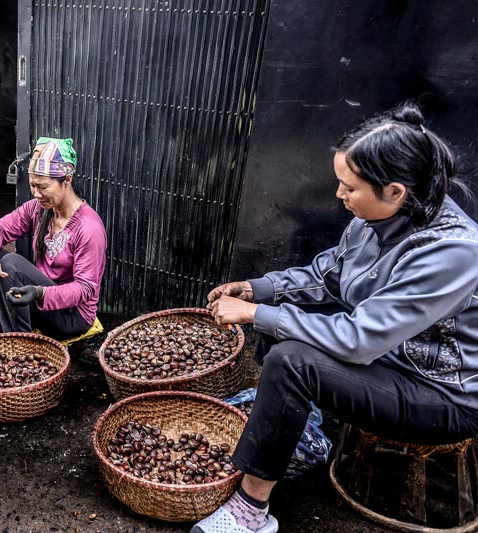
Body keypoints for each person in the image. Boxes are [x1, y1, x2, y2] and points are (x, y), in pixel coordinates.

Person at [195, 103, 478, 533]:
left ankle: (250, 511)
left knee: (292, 360)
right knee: (282, 323)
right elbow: (327, 276)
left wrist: (256, 314)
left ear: (395, 191)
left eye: (349, 187)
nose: (339, 196)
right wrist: (256, 289)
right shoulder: (373, 219)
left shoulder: (453, 252)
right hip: (386, 359)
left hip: (438, 395)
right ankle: (295, 429)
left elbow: (360, 340)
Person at [0, 137, 107, 340]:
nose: (36, 194)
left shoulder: (89, 228)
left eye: (43, 187)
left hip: (71, 315)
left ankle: (19, 341)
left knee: (11, 263)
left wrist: (40, 293)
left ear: (67, 181)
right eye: (32, 185)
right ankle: (5, 326)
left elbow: (85, 289)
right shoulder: (38, 209)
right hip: (39, 300)